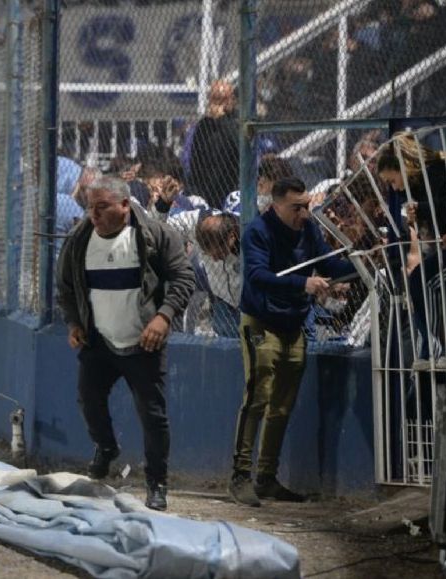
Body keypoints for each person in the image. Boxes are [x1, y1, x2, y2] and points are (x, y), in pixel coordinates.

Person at [56, 176, 195, 511]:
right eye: (90, 207)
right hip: (98, 341)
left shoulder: (154, 236)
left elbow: (183, 277)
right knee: (89, 399)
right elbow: (65, 287)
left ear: (124, 205)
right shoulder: (79, 239)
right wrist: (74, 322)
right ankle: (106, 447)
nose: (95, 215)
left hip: (143, 344)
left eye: (102, 207)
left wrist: (163, 317)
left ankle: (157, 483)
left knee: (152, 415)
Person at [228, 176, 354, 506]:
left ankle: (266, 478)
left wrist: (355, 268)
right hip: (261, 321)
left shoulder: (308, 229)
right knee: (258, 395)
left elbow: (326, 261)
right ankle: (240, 475)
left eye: (307, 206)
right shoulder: (258, 231)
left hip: (293, 323)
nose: (304, 214)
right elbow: (257, 276)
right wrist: (304, 284)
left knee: (282, 403)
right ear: (276, 206)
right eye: (297, 208)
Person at [377, 132, 446, 368]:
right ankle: (445, 347)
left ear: (405, 167)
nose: (396, 188)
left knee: (425, 281)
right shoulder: (427, 178)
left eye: (393, 180)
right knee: (423, 281)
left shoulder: (440, 172)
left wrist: (422, 209)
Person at [188, 80, 239, 209]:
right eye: (215, 99)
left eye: (223, 99)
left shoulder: (238, 121)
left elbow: (239, 146)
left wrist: (221, 119)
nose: (218, 104)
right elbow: (195, 160)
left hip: (232, 185)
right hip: (206, 188)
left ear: (232, 100)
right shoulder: (204, 125)